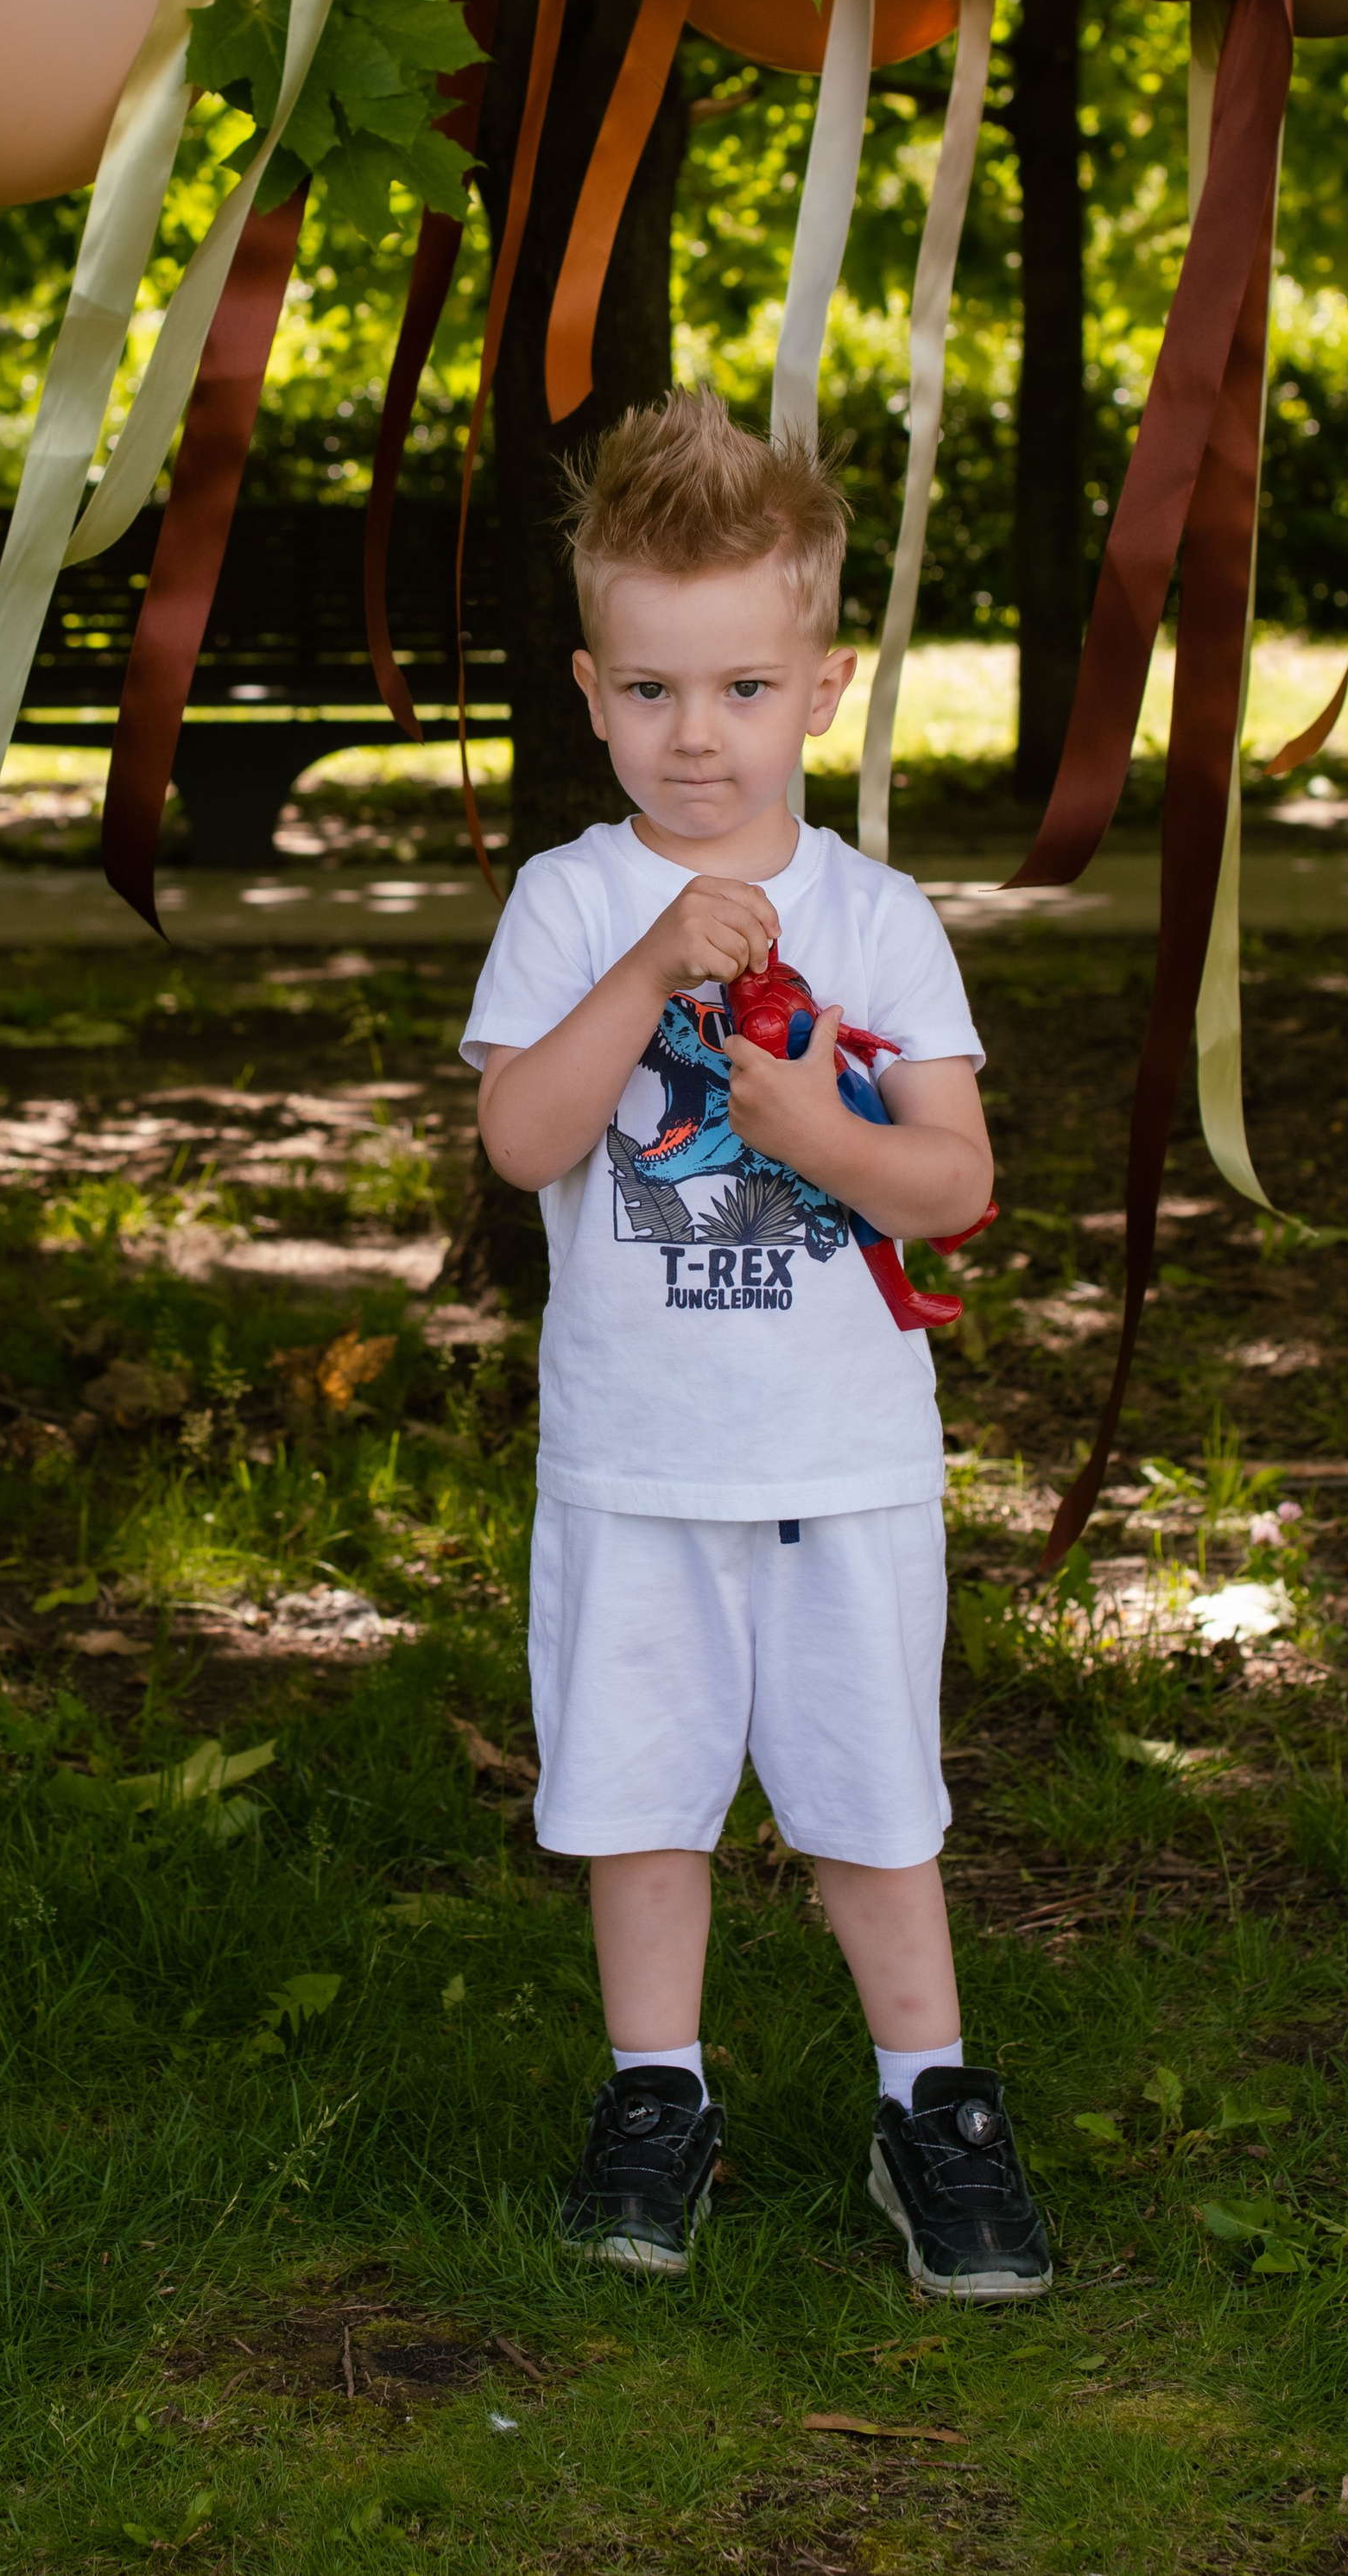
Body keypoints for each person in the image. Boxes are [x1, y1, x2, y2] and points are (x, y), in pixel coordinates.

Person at [459, 390, 1051, 2302]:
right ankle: (656, 2095)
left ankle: (927, 2099)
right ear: (587, 687)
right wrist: (645, 971)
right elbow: (522, 1141)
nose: (690, 734)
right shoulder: (565, 901)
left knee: (870, 1796)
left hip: (837, 1457)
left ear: (820, 685)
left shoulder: (875, 917)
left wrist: (814, 1133)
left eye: (735, 687)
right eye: (646, 690)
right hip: (635, 1456)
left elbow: (948, 1180)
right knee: (637, 1795)